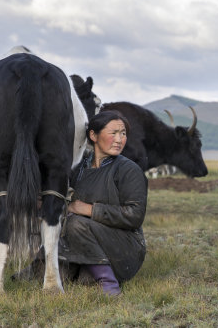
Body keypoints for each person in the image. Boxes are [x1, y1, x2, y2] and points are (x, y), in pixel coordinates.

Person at [14, 110, 148, 296]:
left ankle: (109, 283)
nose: (119, 139)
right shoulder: (78, 168)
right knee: (70, 276)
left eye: (123, 133)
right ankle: (39, 270)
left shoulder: (129, 171)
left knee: (76, 223)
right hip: (84, 242)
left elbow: (134, 216)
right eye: (113, 133)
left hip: (124, 248)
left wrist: (87, 209)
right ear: (93, 135)